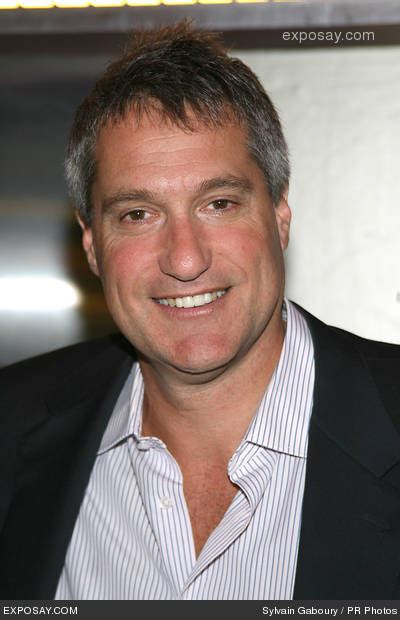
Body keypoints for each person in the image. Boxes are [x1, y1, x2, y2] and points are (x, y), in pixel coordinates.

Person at [1, 21, 400, 601]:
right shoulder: (11, 427)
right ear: (91, 245)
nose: (185, 260)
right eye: (138, 214)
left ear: (280, 216)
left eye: (219, 203)